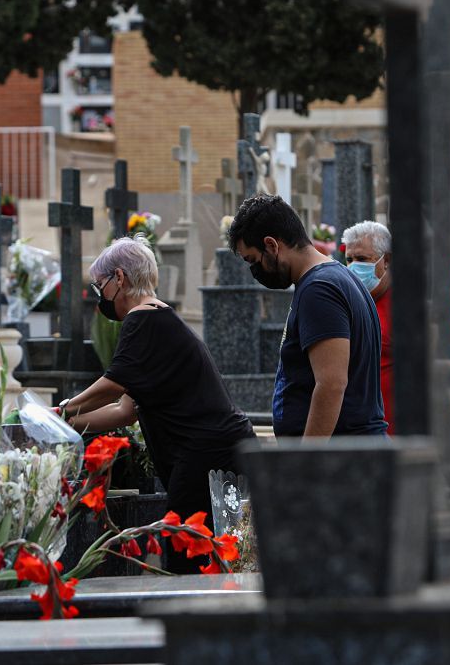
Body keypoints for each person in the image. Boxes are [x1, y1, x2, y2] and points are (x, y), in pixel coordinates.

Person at [54, 236, 256, 573]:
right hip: (217, 448)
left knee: (185, 554)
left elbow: (112, 385)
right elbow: (124, 409)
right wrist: (66, 425)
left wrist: (65, 408)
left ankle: (194, 622)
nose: (100, 296)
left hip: (204, 452)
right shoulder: (159, 319)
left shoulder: (142, 318)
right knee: (208, 553)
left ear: (120, 278)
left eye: (100, 285)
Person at [227, 194, 386, 439]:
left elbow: (331, 384)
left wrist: (308, 461)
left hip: (340, 458)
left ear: (271, 245)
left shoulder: (319, 289)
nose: (255, 271)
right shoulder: (339, 277)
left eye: (253, 261)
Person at [342, 220, 394, 434]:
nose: (353, 266)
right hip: (353, 434)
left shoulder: (411, 308)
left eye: (362, 259)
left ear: (387, 261)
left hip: (397, 437)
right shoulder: (344, 301)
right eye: (349, 259)